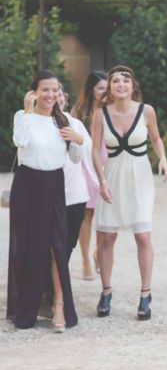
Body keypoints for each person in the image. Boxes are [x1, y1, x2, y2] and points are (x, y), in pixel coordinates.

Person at [7, 70, 83, 332]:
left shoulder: (65, 120)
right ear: (34, 92)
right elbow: (20, 142)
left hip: (54, 185)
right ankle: (26, 308)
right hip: (27, 184)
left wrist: (79, 141)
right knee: (28, 244)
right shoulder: (22, 117)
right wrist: (28, 112)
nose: (51, 95)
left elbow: (75, 158)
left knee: (56, 246)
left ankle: (60, 306)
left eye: (55, 89)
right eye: (45, 90)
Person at [92, 65, 167, 320]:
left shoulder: (146, 111)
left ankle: (145, 294)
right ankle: (106, 291)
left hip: (140, 178)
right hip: (112, 177)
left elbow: (156, 138)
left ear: (132, 86)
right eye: (115, 81)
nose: (121, 85)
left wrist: (163, 160)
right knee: (106, 237)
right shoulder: (100, 114)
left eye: (125, 81)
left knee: (143, 236)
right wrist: (101, 181)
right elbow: (94, 151)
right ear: (110, 88)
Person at [71, 70, 108, 279]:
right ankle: (85, 259)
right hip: (86, 167)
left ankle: (98, 253)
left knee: (105, 217)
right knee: (86, 215)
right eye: (101, 88)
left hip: (108, 165)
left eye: (106, 89)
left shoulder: (112, 110)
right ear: (91, 90)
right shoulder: (79, 112)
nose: (104, 93)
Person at [58, 83, 99, 262]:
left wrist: (79, 139)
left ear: (65, 99)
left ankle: (57, 285)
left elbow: (89, 154)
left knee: (68, 243)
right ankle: (51, 286)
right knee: (48, 242)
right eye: (49, 92)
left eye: (59, 93)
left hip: (75, 195)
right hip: (48, 193)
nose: (55, 97)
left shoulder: (75, 124)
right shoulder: (35, 123)